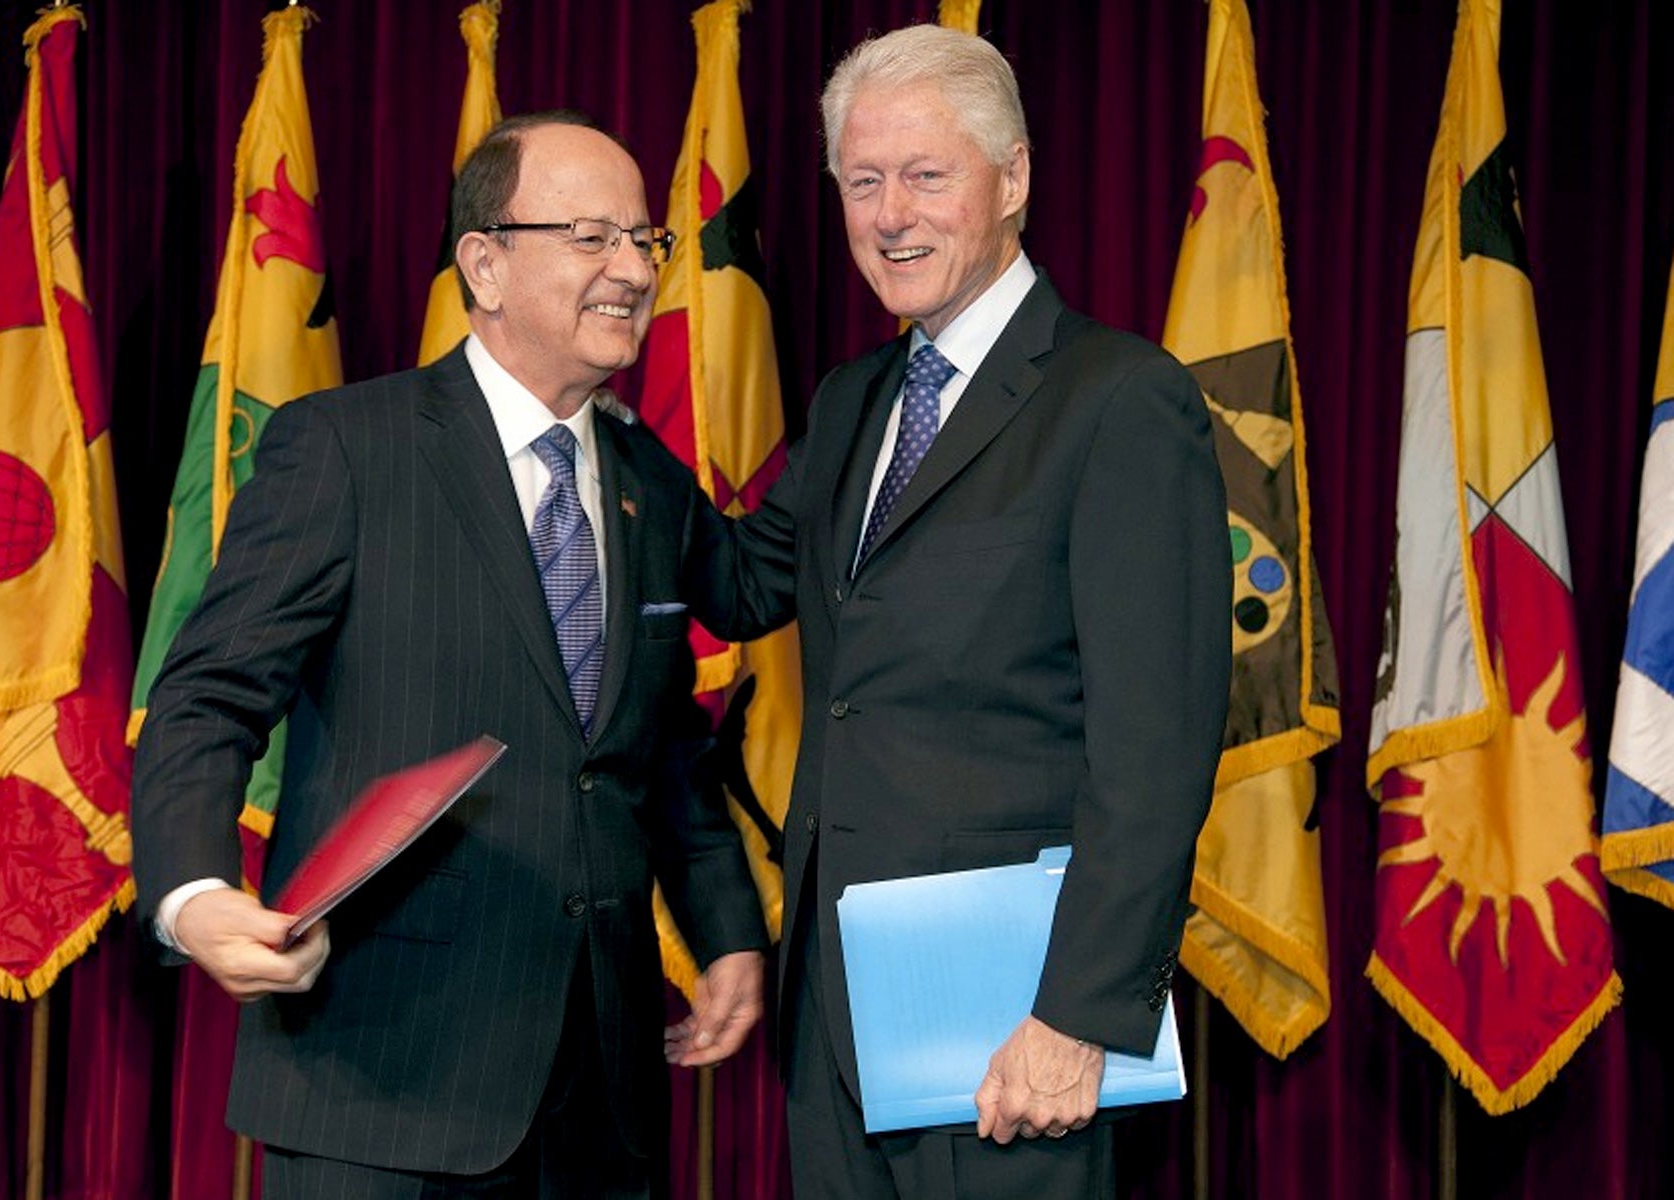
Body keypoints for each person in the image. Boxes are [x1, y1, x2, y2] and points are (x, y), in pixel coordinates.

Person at [131, 111, 768, 1198]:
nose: (633, 270)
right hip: (379, 1081)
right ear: (485, 262)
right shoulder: (346, 449)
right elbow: (206, 697)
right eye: (591, 238)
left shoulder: (650, 483)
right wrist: (194, 893)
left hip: (600, 1099)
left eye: (646, 243)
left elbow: (659, 746)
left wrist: (728, 936)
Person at [670, 25, 1232, 1199]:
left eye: (927, 176)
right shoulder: (852, 398)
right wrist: (586, 428)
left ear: (1013, 179)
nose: (889, 215)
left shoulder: (1119, 400)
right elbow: (736, 582)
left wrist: (1079, 1014)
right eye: (862, 182)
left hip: (1012, 1031)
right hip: (833, 1017)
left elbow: (1158, 748)